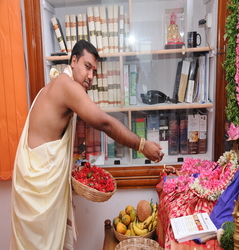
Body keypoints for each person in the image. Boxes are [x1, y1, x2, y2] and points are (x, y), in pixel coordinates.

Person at [10, 39, 164, 250]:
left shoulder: (59, 84)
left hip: (35, 183)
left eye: (94, 71)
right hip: (37, 189)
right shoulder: (66, 85)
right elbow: (104, 122)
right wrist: (142, 144)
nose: (91, 76)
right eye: (87, 67)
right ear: (73, 61)